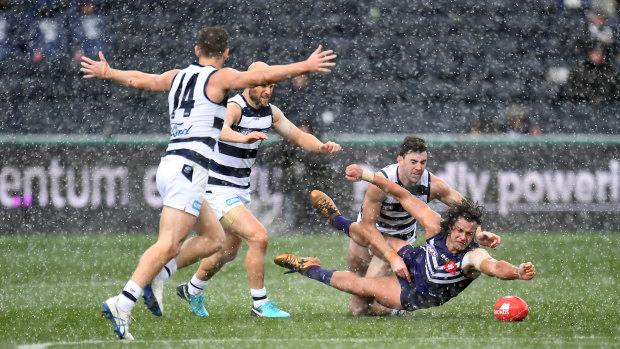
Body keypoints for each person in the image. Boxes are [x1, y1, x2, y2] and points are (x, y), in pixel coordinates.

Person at [80, 26, 337, 340]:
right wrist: (304, 66)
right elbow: (253, 79)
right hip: (191, 168)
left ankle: (167, 279)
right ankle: (124, 301)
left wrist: (108, 72)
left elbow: (141, 80)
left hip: (174, 163)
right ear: (226, 54)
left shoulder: (177, 75)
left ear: (196, 49)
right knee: (169, 245)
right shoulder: (219, 79)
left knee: (215, 240)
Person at [159, 61, 342, 318]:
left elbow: (298, 136)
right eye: (262, 84)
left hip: (238, 190)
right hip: (216, 188)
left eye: (271, 85)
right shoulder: (234, 106)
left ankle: (192, 289)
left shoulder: (270, 112)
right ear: (248, 83)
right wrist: (242, 137)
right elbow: (219, 130)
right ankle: (260, 303)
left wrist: (321, 146)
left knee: (228, 251)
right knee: (259, 237)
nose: (267, 90)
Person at [275, 166, 535, 316]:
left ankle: (308, 267)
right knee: (375, 236)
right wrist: (366, 174)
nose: (463, 238)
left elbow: (494, 267)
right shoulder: (436, 225)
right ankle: (337, 220)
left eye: (470, 234)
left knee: (361, 294)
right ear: (450, 225)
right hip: (417, 258)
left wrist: (516, 272)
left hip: (418, 291)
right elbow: (401, 193)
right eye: (459, 231)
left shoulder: (472, 256)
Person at [312, 135, 500, 316]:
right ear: (400, 160)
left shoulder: (433, 185)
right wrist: (390, 257)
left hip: (398, 243)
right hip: (369, 235)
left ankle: (397, 306)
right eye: (413, 162)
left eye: (423, 162)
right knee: (356, 278)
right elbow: (369, 228)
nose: (418, 168)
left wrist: (479, 232)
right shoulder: (380, 182)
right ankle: (335, 220)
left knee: (359, 308)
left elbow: (466, 208)